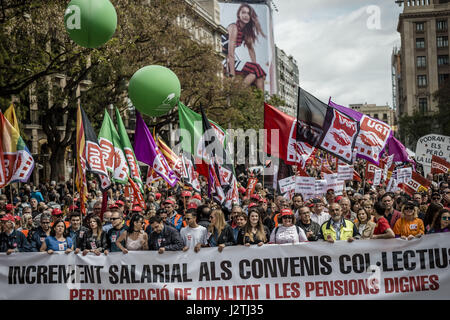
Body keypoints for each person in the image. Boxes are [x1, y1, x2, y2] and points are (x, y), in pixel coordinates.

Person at [222, 3, 267, 90]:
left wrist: (256, 67)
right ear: (239, 14)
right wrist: (232, 74)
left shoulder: (245, 31)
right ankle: (238, 92)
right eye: (243, 12)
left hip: (230, 59)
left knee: (258, 74)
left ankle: (260, 101)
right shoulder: (234, 28)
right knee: (257, 70)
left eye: (248, 13)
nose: (246, 15)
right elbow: (231, 53)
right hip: (222, 59)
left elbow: (251, 50)